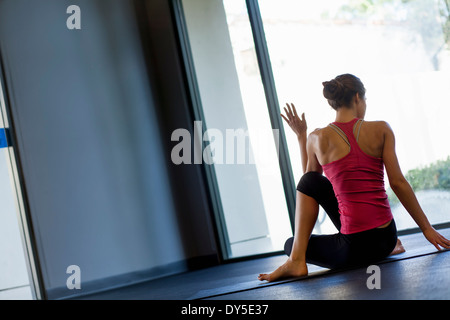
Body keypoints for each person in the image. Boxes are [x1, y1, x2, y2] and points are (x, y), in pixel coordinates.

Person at [258, 73, 450, 282]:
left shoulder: (317, 137)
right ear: (358, 97)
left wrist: (302, 137)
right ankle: (389, 248)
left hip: (353, 249)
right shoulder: (382, 129)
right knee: (314, 185)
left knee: (291, 243)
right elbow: (398, 182)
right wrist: (426, 228)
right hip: (386, 238)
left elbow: (308, 183)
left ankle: (296, 260)